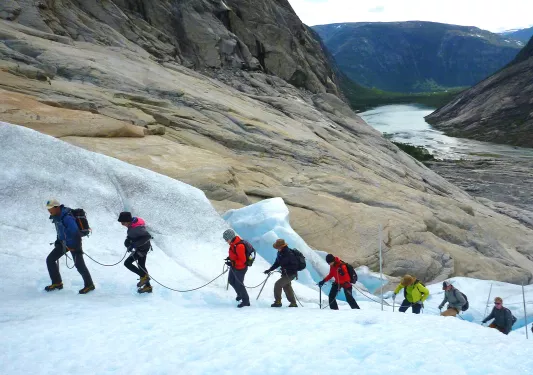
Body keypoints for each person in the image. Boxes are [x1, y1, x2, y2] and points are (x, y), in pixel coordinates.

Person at [44, 199, 95, 294]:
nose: (49, 211)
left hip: (74, 244)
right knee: (50, 260)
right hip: (63, 243)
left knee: (79, 265)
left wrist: (75, 246)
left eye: (50, 208)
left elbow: (75, 232)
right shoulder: (56, 216)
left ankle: (89, 285)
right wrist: (58, 241)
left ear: (57, 207)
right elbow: (60, 230)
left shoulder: (67, 217)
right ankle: (57, 283)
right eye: (48, 209)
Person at [119, 212, 153, 293]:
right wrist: (128, 240)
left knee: (127, 263)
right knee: (141, 266)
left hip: (141, 249)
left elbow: (147, 236)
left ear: (127, 221)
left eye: (123, 222)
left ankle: (144, 277)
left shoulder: (137, 228)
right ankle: (148, 287)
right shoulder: (133, 224)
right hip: (143, 247)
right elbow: (134, 235)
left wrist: (134, 245)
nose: (122, 224)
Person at [264, 239, 299, 307]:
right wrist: (269, 270)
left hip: (291, 274)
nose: (277, 249)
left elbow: (295, 265)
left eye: (277, 247)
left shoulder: (289, 253)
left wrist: (286, 268)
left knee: (278, 284)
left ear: (282, 246)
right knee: (287, 286)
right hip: (285, 273)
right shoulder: (280, 253)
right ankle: (293, 303)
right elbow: (277, 263)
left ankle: (278, 302)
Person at [223, 229, 250, 308]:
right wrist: (230, 258)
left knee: (239, 284)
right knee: (231, 281)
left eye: (226, 239)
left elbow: (243, 260)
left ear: (230, 237)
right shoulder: (233, 244)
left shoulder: (239, 246)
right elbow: (235, 254)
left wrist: (232, 262)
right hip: (234, 267)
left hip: (240, 268)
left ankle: (246, 301)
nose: (226, 241)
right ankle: (240, 294)